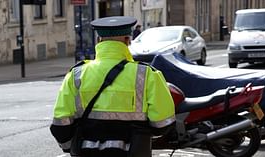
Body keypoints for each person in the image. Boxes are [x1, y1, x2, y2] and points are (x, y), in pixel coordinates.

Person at [50, 16, 175, 157]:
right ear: (128, 40)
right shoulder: (147, 74)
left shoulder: (76, 74)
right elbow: (163, 123)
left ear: (99, 40)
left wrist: (70, 146)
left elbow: (61, 123)